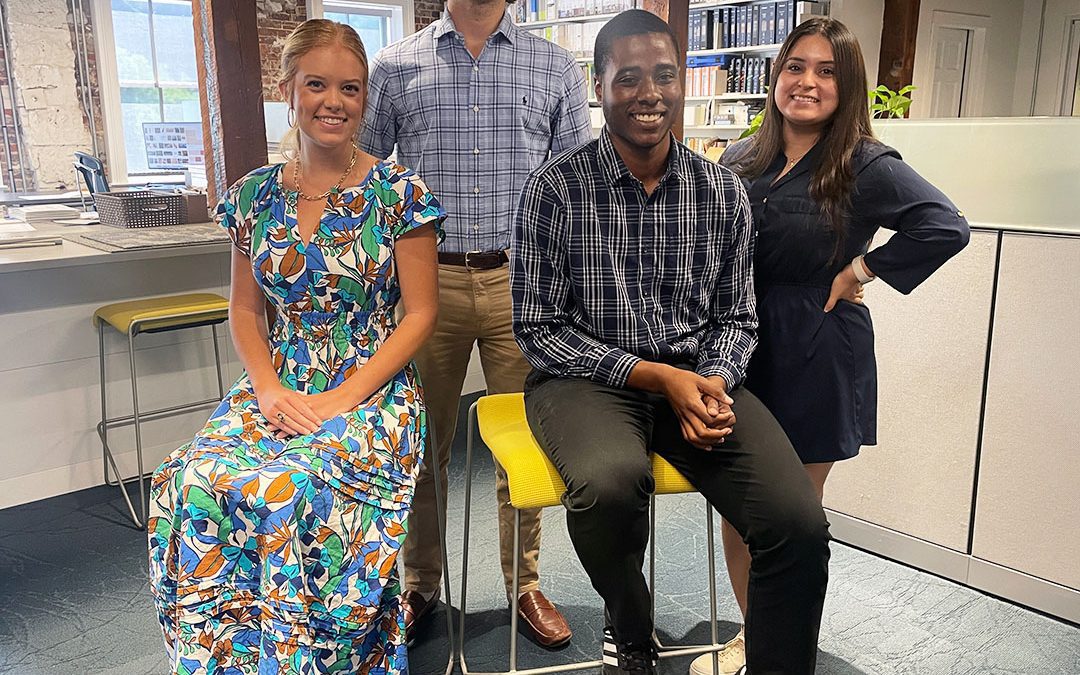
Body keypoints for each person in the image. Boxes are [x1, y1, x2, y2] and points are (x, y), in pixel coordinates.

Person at [511, 10, 831, 675]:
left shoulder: (721, 191)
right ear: (598, 87)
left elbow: (737, 316)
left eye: (663, 75)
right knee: (609, 483)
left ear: (682, 82)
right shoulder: (555, 190)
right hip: (585, 380)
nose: (648, 92)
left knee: (798, 525)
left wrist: (711, 380)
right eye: (628, 78)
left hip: (700, 378)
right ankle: (631, 629)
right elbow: (540, 327)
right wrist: (657, 377)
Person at [147, 19, 444, 674]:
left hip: (371, 385)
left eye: (350, 88)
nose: (333, 101)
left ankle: (327, 655)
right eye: (317, 84)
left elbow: (421, 314)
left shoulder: (399, 195)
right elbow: (246, 309)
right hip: (278, 379)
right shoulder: (254, 196)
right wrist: (270, 389)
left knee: (291, 485)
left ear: (366, 99)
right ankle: (234, 657)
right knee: (190, 478)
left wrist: (342, 396)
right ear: (288, 89)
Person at [694, 17, 971, 674]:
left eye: (826, 72)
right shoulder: (740, 156)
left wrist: (862, 270)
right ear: (775, 75)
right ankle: (755, 631)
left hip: (816, 348)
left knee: (791, 518)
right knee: (738, 502)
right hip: (740, 348)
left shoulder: (864, 164)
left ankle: (779, 648)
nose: (808, 82)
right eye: (796, 66)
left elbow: (944, 226)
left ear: (847, 87)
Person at [361, 0, 592, 647]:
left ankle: (524, 583)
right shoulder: (396, 65)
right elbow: (365, 179)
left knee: (523, 440)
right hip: (423, 280)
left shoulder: (555, 66)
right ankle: (420, 580)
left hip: (522, 283)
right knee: (422, 442)